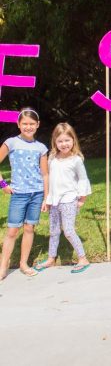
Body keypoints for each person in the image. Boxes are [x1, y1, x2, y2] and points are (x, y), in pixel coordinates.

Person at [34, 123, 91, 274]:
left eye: (67, 140)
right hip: (54, 200)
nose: (64, 144)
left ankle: (83, 257)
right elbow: (47, 178)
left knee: (68, 230)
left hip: (69, 199)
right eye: (60, 141)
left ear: (73, 140)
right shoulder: (52, 158)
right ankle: (51, 258)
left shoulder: (76, 160)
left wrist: (82, 198)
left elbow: (83, 179)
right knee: (53, 231)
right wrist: (46, 199)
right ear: (55, 142)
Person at [0, 108, 48, 279]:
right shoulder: (11, 142)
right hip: (19, 194)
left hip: (36, 194)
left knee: (29, 229)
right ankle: (3, 267)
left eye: (32, 124)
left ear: (38, 125)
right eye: (25, 124)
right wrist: (2, 184)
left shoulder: (41, 147)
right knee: (12, 231)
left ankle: (23, 264)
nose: (28, 127)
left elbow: (45, 174)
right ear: (18, 124)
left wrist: (46, 196)